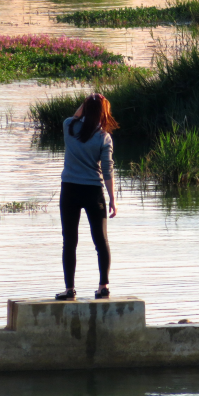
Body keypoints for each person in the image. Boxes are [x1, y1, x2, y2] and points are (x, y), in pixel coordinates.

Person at [57, 93, 119, 300]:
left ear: (84, 108)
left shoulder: (69, 126)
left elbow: (75, 116)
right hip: (93, 191)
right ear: (103, 113)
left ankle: (69, 290)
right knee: (101, 241)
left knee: (69, 241)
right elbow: (108, 171)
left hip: (70, 191)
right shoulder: (104, 137)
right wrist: (112, 199)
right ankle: (103, 287)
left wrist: (86, 102)